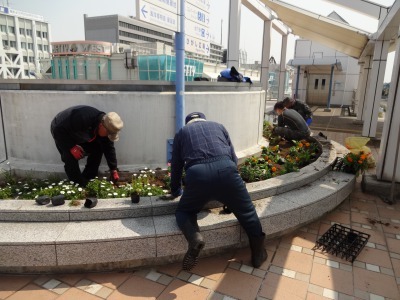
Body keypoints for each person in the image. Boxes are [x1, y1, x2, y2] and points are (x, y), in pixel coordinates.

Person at [165, 112, 267, 271]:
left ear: (188, 123)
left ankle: (194, 238)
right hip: (226, 170)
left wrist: (176, 190)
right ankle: (258, 253)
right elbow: (233, 158)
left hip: (198, 175)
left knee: (184, 212)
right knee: (247, 212)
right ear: (204, 119)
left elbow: (176, 165)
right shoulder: (219, 127)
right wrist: (231, 194)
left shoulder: (182, 133)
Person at [51, 105, 123, 187]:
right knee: (69, 156)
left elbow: (108, 147)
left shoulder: (107, 126)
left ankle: (89, 178)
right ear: (101, 126)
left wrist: (113, 169)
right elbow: (58, 130)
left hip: (82, 132)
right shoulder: (82, 118)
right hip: (62, 131)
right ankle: (78, 185)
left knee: (98, 148)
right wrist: (72, 147)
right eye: (108, 133)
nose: (108, 135)